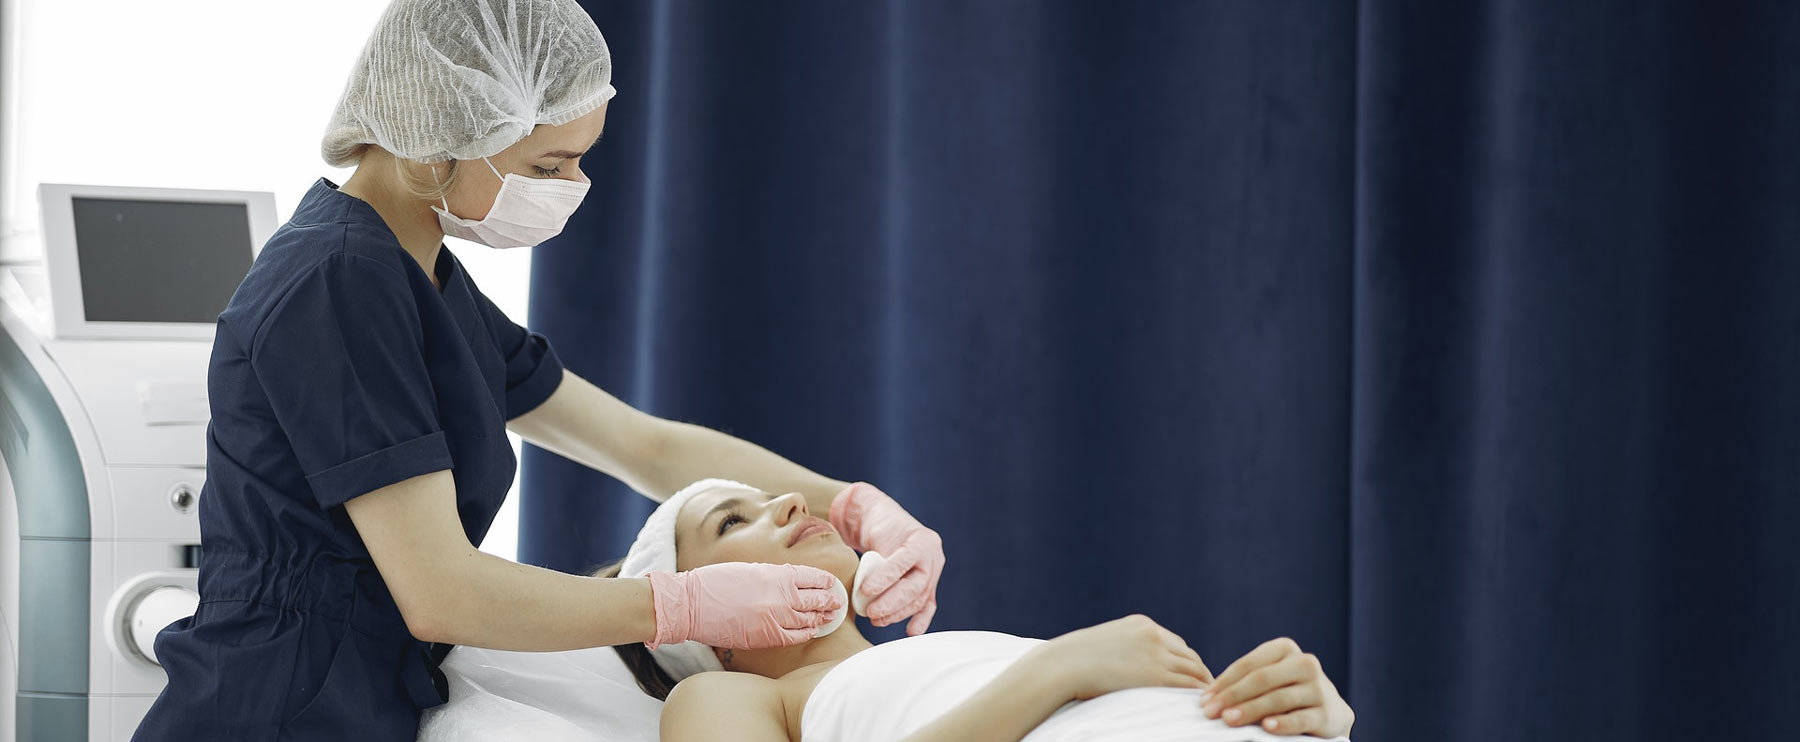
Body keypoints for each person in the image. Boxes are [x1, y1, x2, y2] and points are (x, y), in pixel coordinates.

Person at [129, 2, 944, 739]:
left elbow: (647, 449)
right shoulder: (337, 281)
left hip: (359, 705)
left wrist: (858, 508)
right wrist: (682, 605)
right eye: (548, 166)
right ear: (438, 142)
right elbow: (441, 592)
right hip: (270, 710)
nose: (571, 189)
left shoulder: (426, 283)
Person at [581, 479, 1354, 742]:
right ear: (695, 624)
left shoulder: (947, 661)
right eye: (730, 521)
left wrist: (1304, 713)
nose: (788, 500)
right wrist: (1056, 669)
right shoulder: (728, 695)